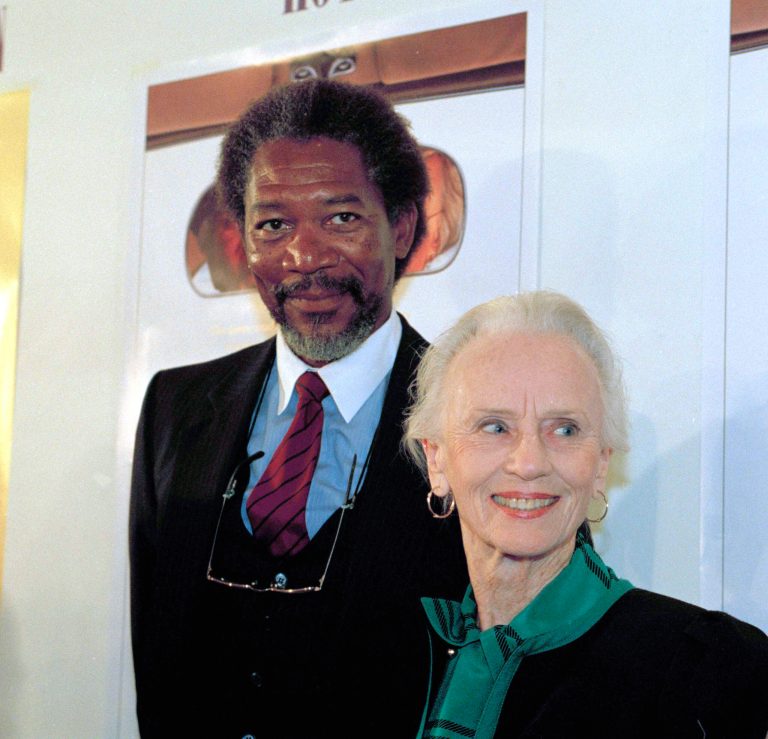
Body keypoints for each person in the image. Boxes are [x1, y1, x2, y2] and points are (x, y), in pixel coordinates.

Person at [129, 79, 467, 738]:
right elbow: (159, 656)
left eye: (341, 219)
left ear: (401, 227)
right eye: (273, 225)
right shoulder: (175, 408)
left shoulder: (482, 415)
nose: (305, 256)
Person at [403, 291, 768, 739]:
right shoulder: (379, 653)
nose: (529, 462)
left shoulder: (705, 672)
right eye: (495, 427)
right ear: (436, 459)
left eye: (565, 429)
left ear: (600, 464)